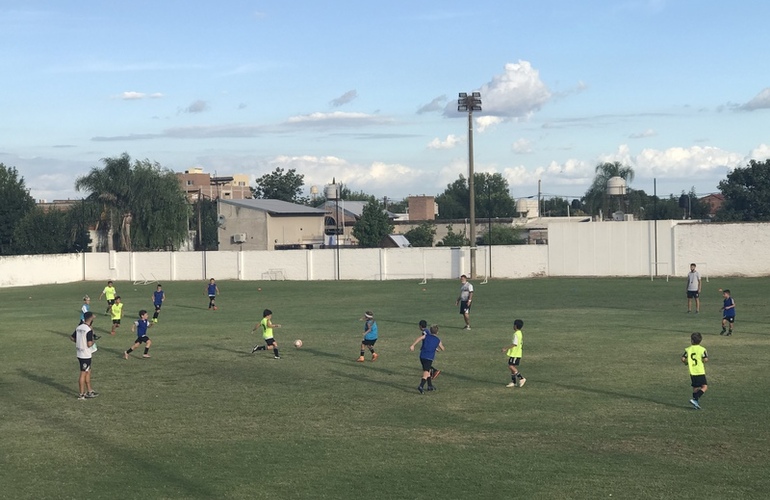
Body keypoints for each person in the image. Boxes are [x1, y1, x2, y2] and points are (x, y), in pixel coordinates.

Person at [71, 311, 98, 400]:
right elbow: (89, 344)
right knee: (83, 373)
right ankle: (81, 394)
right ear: (90, 319)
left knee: (88, 371)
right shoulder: (88, 330)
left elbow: (72, 337)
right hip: (85, 355)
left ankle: (89, 391)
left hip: (79, 353)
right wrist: (94, 341)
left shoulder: (79, 327)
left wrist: (79, 342)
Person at [410, 324, 444, 394]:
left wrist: (413, 345)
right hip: (429, 358)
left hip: (422, 356)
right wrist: (436, 347)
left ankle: (430, 386)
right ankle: (421, 386)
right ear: (437, 332)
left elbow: (419, 338)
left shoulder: (426, 336)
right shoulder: (437, 340)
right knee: (426, 372)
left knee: (428, 371)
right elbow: (443, 348)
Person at [682, 332, 708, 409]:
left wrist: (686, 363)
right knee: (704, 387)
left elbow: (683, 359)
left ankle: (695, 404)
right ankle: (695, 399)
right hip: (699, 371)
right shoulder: (702, 349)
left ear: (691, 341)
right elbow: (705, 359)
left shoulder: (688, 349)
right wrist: (703, 361)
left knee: (695, 387)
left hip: (692, 371)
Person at [502, 319, 526, 388]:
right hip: (516, 353)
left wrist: (506, 348)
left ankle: (521, 378)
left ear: (515, 326)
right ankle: (513, 382)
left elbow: (514, 344)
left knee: (511, 366)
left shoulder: (516, 334)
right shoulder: (520, 333)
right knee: (512, 367)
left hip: (515, 353)